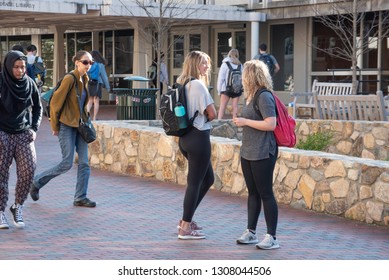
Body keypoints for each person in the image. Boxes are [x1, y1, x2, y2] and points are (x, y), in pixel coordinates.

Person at [30, 50, 97, 208]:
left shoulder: (85, 78)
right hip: (67, 125)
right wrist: (55, 126)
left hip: (80, 126)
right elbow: (54, 104)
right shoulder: (69, 79)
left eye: (91, 63)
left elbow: (81, 105)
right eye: (85, 62)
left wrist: (87, 120)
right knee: (66, 163)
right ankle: (37, 182)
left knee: (84, 163)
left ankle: (80, 197)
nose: (88, 65)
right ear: (77, 62)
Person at [233, 59, 280, 250]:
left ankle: (272, 237)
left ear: (251, 75)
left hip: (263, 151)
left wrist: (245, 121)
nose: (242, 78)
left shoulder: (264, 96)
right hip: (249, 151)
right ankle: (251, 232)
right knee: (253, 193)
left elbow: (271, 124)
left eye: (244, 74)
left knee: (266, 193)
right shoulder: (251, 96)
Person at [176, 50, 216, 240]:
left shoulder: (181, 84)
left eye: (207, 63)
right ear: (195, 65)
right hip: (199, 138)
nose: (207, 67)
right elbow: (212, 113)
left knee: (208, 179)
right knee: (194, 183)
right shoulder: (198, 85)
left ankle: (186, 219)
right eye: (203, 63)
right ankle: (184, 227)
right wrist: (207, 114)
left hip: (185, 138)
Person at [0, 50, 42, 229]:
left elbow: (38, 108)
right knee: (1, 173)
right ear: (9, 67)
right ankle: (0, 211)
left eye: (23, 67)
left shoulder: (30, 83)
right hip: (2, 132)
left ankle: (17, 205)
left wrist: (34, 129)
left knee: (28, 171)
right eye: (16, 67)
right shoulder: (1, 81)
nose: (20, 71)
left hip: (23, 133)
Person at [217, 48, 243, 119]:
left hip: (226, 89)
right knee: (235, 106)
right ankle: (235, 122)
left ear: (229, 54)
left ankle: (219, 121)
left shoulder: (225, 64)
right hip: (237, 89)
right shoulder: (240, 65)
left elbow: (221, 78)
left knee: (222, 106)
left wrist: (219, 90)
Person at [87, 50, 110, 121]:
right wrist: (108, 87)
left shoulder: (88, 64)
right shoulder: (100, 65)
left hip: (89, 83)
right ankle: (94, 117)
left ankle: (87, 117)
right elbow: (104, 77)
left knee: (90, 100)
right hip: (97, 83)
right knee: (96, 101)